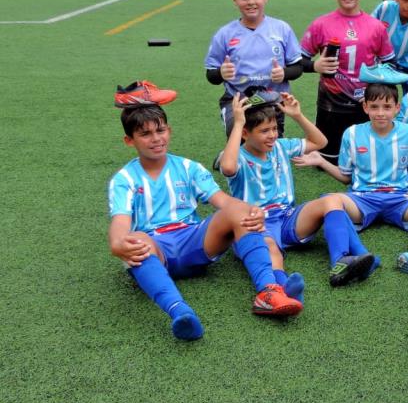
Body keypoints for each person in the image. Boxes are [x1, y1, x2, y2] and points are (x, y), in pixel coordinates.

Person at [108, 99, 302, 342]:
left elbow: (222, 201)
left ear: (169, 131)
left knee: (240, 212)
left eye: (160, 130)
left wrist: (249, 210)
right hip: (157, 249)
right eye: (145, 134)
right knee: (135, 239)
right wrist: (118, 244)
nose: (156, 139)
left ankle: (268, 292)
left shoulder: (189, 168)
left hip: (194, 242)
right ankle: (180, 312)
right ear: (130, 141)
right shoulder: (124, 178)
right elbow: (120, 223)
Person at [294, 83, 408, 280]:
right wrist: (321, 161)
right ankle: (357, 258)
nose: (381, 113)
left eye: (387, 107)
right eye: (375, 107)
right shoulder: (352, 133)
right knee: (329, 200)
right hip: (362, 198)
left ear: (397, 108)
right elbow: (346, 176)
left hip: (401, 198)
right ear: (365, 107)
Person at [221, 91, 378, 289]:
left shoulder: (281, 146)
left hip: (288, 218)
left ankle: (340, 262)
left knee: (331, 200)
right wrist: (237, 123)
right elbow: (227, 167)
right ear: (245, 133)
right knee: (270, 248)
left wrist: (297, 115)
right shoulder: (236, 156)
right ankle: (281, 287)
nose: (272, 135)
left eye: (274, 128)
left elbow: (320, 142)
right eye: (264, 131)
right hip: (257, 222)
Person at [300, 0, 395, 165]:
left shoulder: (376, 26)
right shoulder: (321, 24)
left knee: (366, 159)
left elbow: (389, 65)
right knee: (328, 161)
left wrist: (375, 93)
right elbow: (298, 62)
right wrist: (315, 65)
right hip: (331, 105)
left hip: (364, 104)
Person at [205, 0, 303, 137]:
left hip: (274, 101)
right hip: (238, 102)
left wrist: (284, 74)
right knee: (239, 148)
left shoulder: (281, 29)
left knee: (271, 145)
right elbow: (211, 75)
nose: (251, 2)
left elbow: (298, 67)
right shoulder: (225, 34)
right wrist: (221, 73)